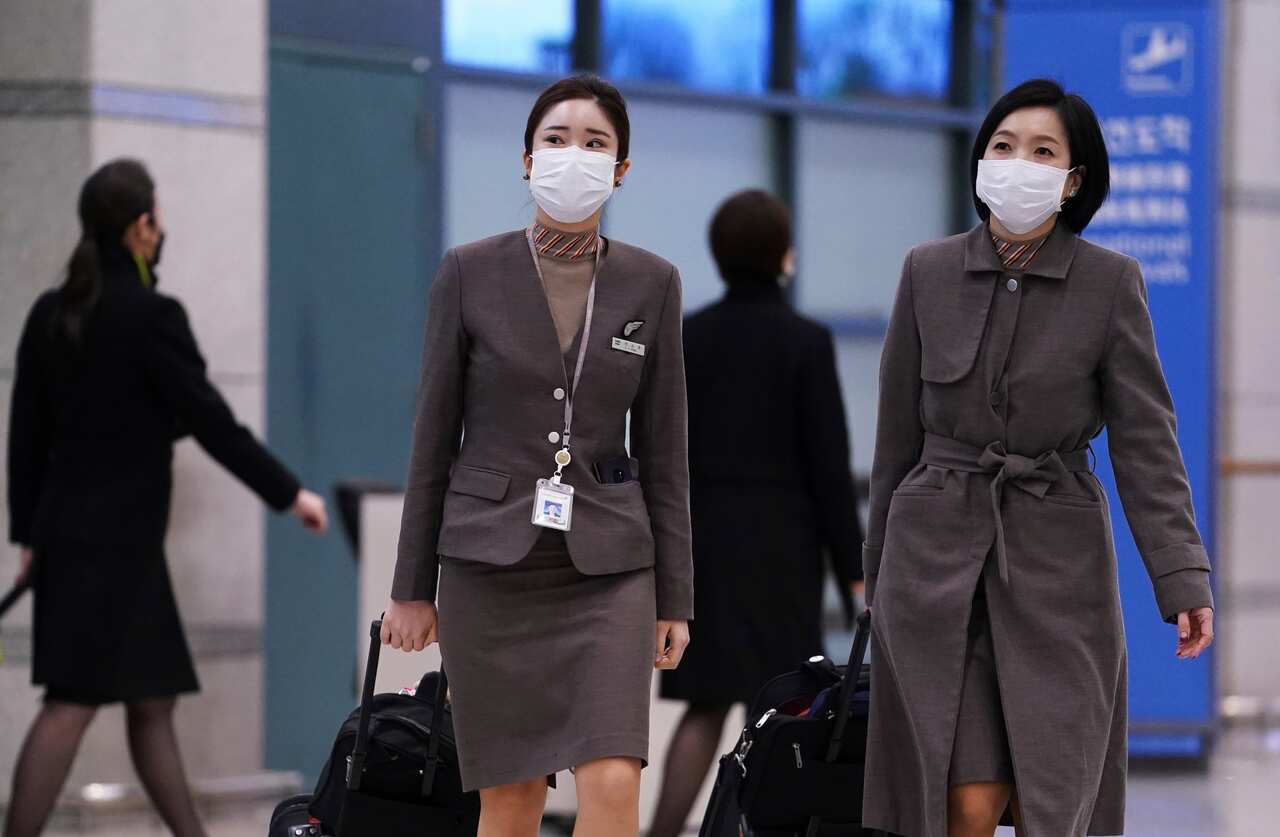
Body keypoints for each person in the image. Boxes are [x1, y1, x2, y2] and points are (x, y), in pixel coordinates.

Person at [860, 78, 1215, 837]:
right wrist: (877, 569)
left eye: (1043, 151)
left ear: (1074, 179)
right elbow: (894, 441)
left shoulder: (1110, 283)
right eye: (1003, 145)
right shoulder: (926, 271)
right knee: (964, 799)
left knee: (1050, 800)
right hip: (933, 573)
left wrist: (1182, 577)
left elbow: (1147, 443)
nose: (1018, 162)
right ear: (980, 159)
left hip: (1060, 574)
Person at [380, 75, 693, 837]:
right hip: (489, 567)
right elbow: (432, 438)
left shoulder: (652, 283)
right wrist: (411, 588)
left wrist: (676, 597)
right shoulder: (468, 271)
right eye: (556, 139)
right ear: (527, 160)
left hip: (610, 567)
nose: (572, 154)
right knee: (512, 798)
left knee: (613, 779)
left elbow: (665, 449)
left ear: (620, 169)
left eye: (594, 142)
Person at [4, 159, 328, 837]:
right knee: (72, 703)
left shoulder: (52, 312)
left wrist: (28, 535)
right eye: (156, 215)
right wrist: (289, 492)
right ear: (141, 226)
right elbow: (211, 421)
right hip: (118, 549)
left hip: (78, 541)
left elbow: (25, 436)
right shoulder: (152, 315)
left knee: (150, 702)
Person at [648, 189, 864, 837]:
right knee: (778, 710)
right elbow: (829, 467)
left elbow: (660, 448)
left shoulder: (688, 336)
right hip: (782, 553)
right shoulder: (806, 342)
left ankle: (661, 833)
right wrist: (853, 571)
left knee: (704, 704)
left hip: (704, 547)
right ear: (783, 255)